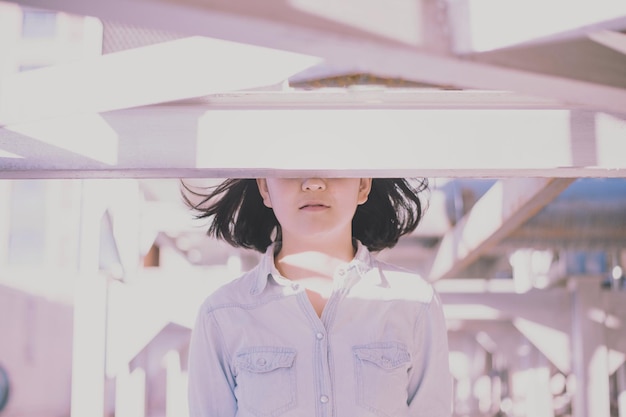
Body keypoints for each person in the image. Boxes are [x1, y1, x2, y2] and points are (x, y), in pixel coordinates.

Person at [183, 178, 452, 417]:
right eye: (292, 169)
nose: (313, 183)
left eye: (332, 167)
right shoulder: (221, 314)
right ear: (265, 187)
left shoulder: (415, 303)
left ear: (363, 185)